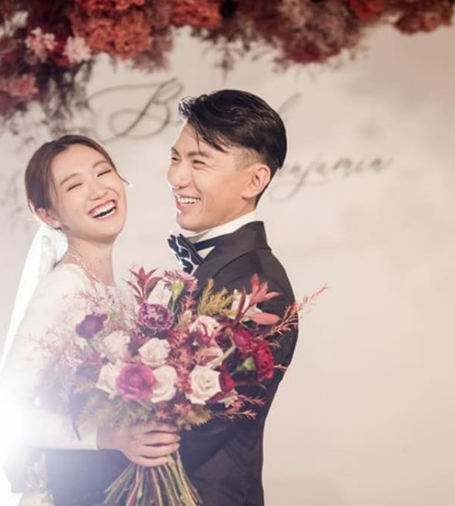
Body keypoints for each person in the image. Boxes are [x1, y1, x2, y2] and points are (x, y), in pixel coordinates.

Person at [0, 135, 180, 506]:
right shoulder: (64, 287)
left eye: (103, 173)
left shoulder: (113, 291)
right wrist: (109, 437)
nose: (99, 190)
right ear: (48, 215)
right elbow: (5, 411)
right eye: (75, 186)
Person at [165, 89, 298, 506]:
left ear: (254, 180)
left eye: (198, 162)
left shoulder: (257, 286)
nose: (177, 177)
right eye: (175, 158)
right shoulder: (222, 268)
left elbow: (198, 427)